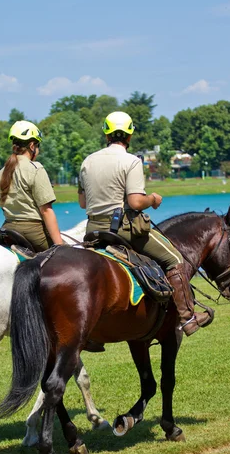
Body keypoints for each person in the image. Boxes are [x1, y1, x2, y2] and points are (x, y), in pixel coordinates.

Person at [78, 111, 212, 336]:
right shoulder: (131, 161)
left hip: (92, 229)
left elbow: (83, 202)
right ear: (129, 136)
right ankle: (188, 317)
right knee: (174, 259)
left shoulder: (87, 161)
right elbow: (135, 201)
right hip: (122, 229)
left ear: (106, 135)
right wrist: (153, 199)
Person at [0, 120, 63, 252]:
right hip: (33, 233)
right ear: (32, 146)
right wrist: (60, 246)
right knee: (68, 260)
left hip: (8, 229)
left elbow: (3, 207)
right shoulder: (36, 169)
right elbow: (46, 210)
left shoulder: (1, 173)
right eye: (38, 146)